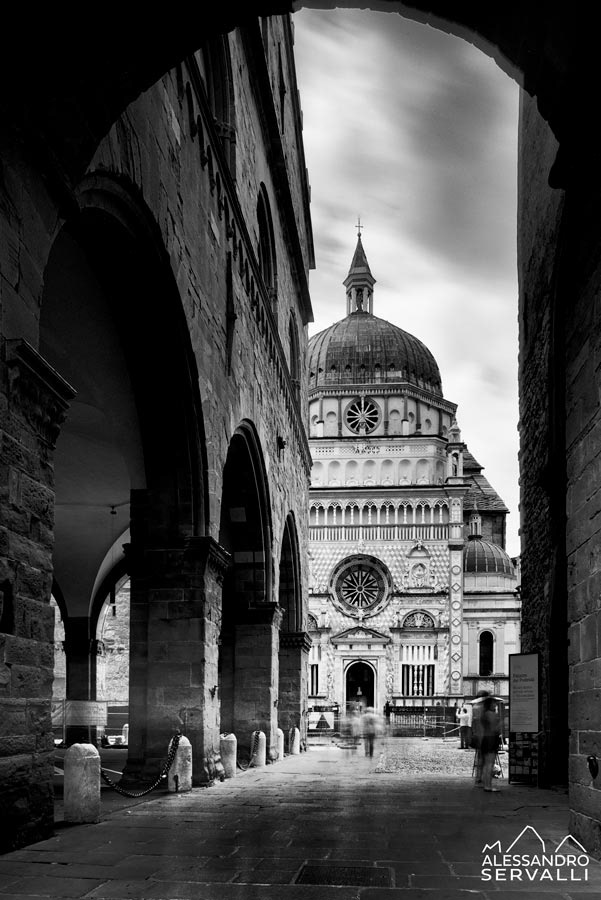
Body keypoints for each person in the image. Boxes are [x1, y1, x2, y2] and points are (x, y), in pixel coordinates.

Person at [480, 696, 501, 792]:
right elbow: (495, 729)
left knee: (486, 764)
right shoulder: (492, 714)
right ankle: (488, 785)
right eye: (494, 703)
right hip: (491, 740)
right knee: (490, 764)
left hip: (485, 739)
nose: (495, 705)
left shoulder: (484, 714)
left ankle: (486, 785)